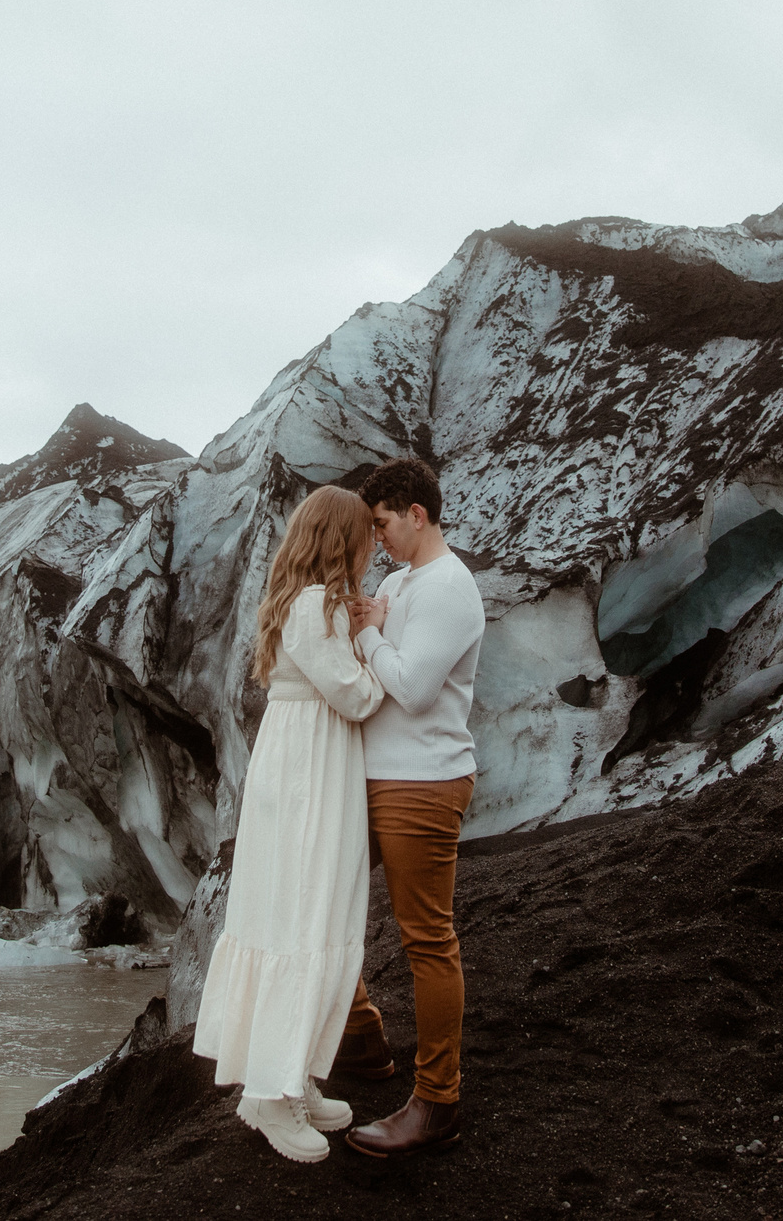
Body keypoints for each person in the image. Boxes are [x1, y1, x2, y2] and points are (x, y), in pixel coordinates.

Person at [191, 484, 390, 1163]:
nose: (373, 544)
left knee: (312, 911)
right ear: (343, 539)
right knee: (303, 912)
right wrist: (378, 634)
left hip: (309, 761)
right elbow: (357, 695)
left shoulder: (306, 602)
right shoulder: (316, 607)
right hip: (310, 768)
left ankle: (291, 1072)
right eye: (366, 534)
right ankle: (272, 1094)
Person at [333, 456, 486, 1159]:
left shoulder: (451, 586)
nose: (379, 537)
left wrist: (371, 634)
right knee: (325, 896)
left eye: (384, 522)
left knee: (426, 936)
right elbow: (375, 675)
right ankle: (362, 1036)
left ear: (417, 514)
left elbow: (414, 687)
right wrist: (374, 637)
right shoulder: (398, 582)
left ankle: (437, 1101)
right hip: (374, 776)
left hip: (423, 781)